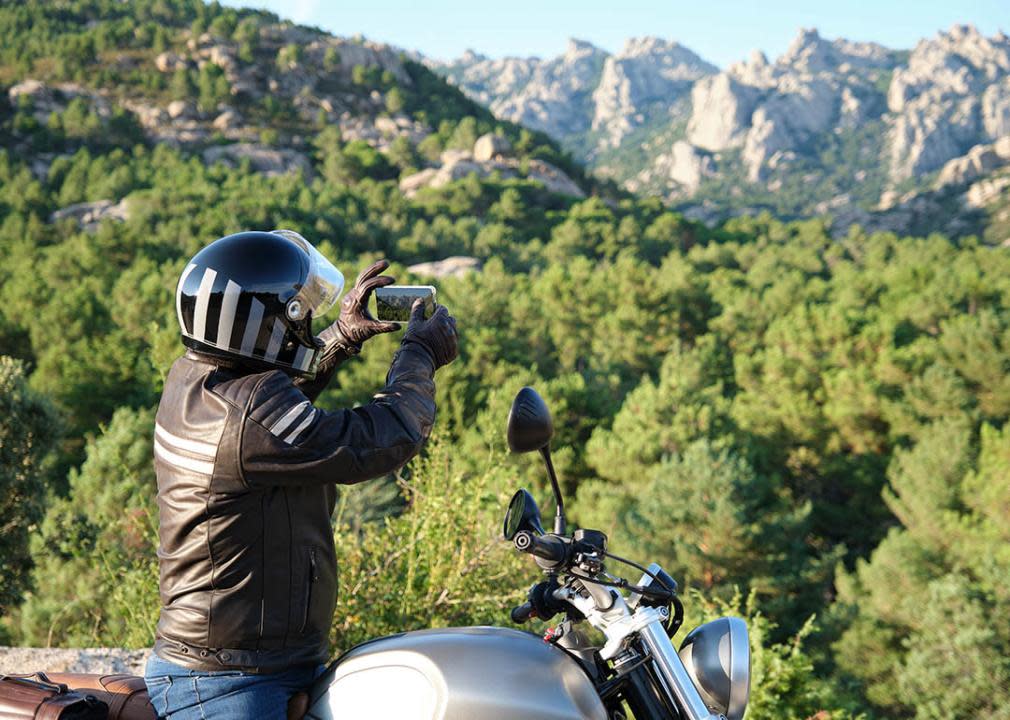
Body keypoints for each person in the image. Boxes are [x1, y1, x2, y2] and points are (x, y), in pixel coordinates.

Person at [142, 230, 458, 719]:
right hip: (230, 685)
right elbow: (384, 436)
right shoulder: (245, 414)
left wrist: (342, 335)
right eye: (302, 314)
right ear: (271, 324)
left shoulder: (199, 379)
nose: (309, 323)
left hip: (245, 665)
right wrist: (418, 355)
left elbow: (279, 415)